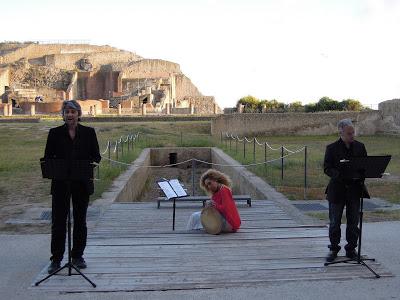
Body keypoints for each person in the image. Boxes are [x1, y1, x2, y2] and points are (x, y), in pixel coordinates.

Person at [44, 100, 101, 274]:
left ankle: (77, 256)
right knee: (58, 222)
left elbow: (96, 156)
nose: (70, 115)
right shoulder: (54, 133)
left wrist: (84, 161)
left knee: (80, 221)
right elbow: (48, 157)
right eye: (67, 112)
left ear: (78, 114)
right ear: (63, 114)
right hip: (61, 183)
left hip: (81, 182)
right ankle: (56, 259)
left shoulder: (89, 133)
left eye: (73, 112)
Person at [324, 119, 369, 262]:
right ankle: (334, 249)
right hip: (337, 189)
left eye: (353, 133)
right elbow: (327, 168)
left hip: (355, 190)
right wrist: (339, 174)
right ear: (341, 132)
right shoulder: (331, 148)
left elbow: (365, 166)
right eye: (349, 133)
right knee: (334, 222)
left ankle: (351, 249)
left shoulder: (360, 147)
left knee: (353, 221)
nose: (352, 136)